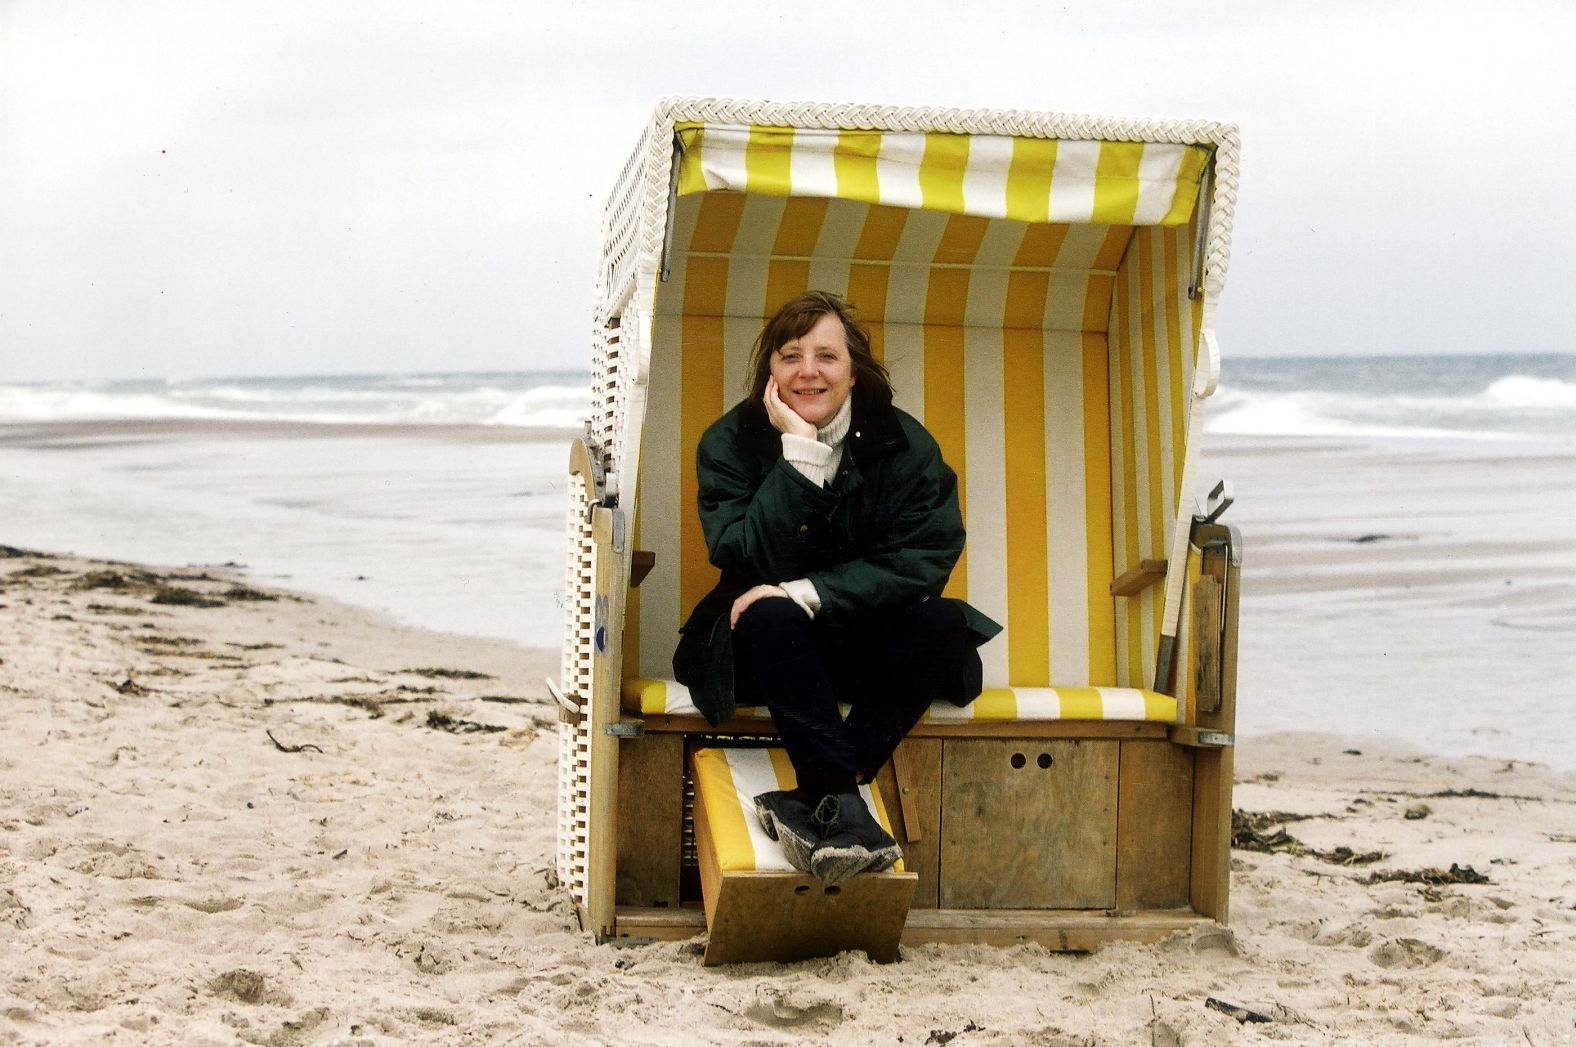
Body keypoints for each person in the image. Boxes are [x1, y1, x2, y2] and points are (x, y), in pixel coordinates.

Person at [673, 291, 1001, 885]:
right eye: (790, 355)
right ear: (769, 370)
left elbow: (926, 558)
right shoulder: (731, 442)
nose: (807, 371)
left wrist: (806, 591)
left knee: (946, 622)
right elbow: (744, 555)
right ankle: (846, 806)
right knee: (770, 614)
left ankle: (819, 795)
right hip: (765, 650)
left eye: (826, 356)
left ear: (853, 371)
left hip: (861, 646)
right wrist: (797, 453)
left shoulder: (903, 445)